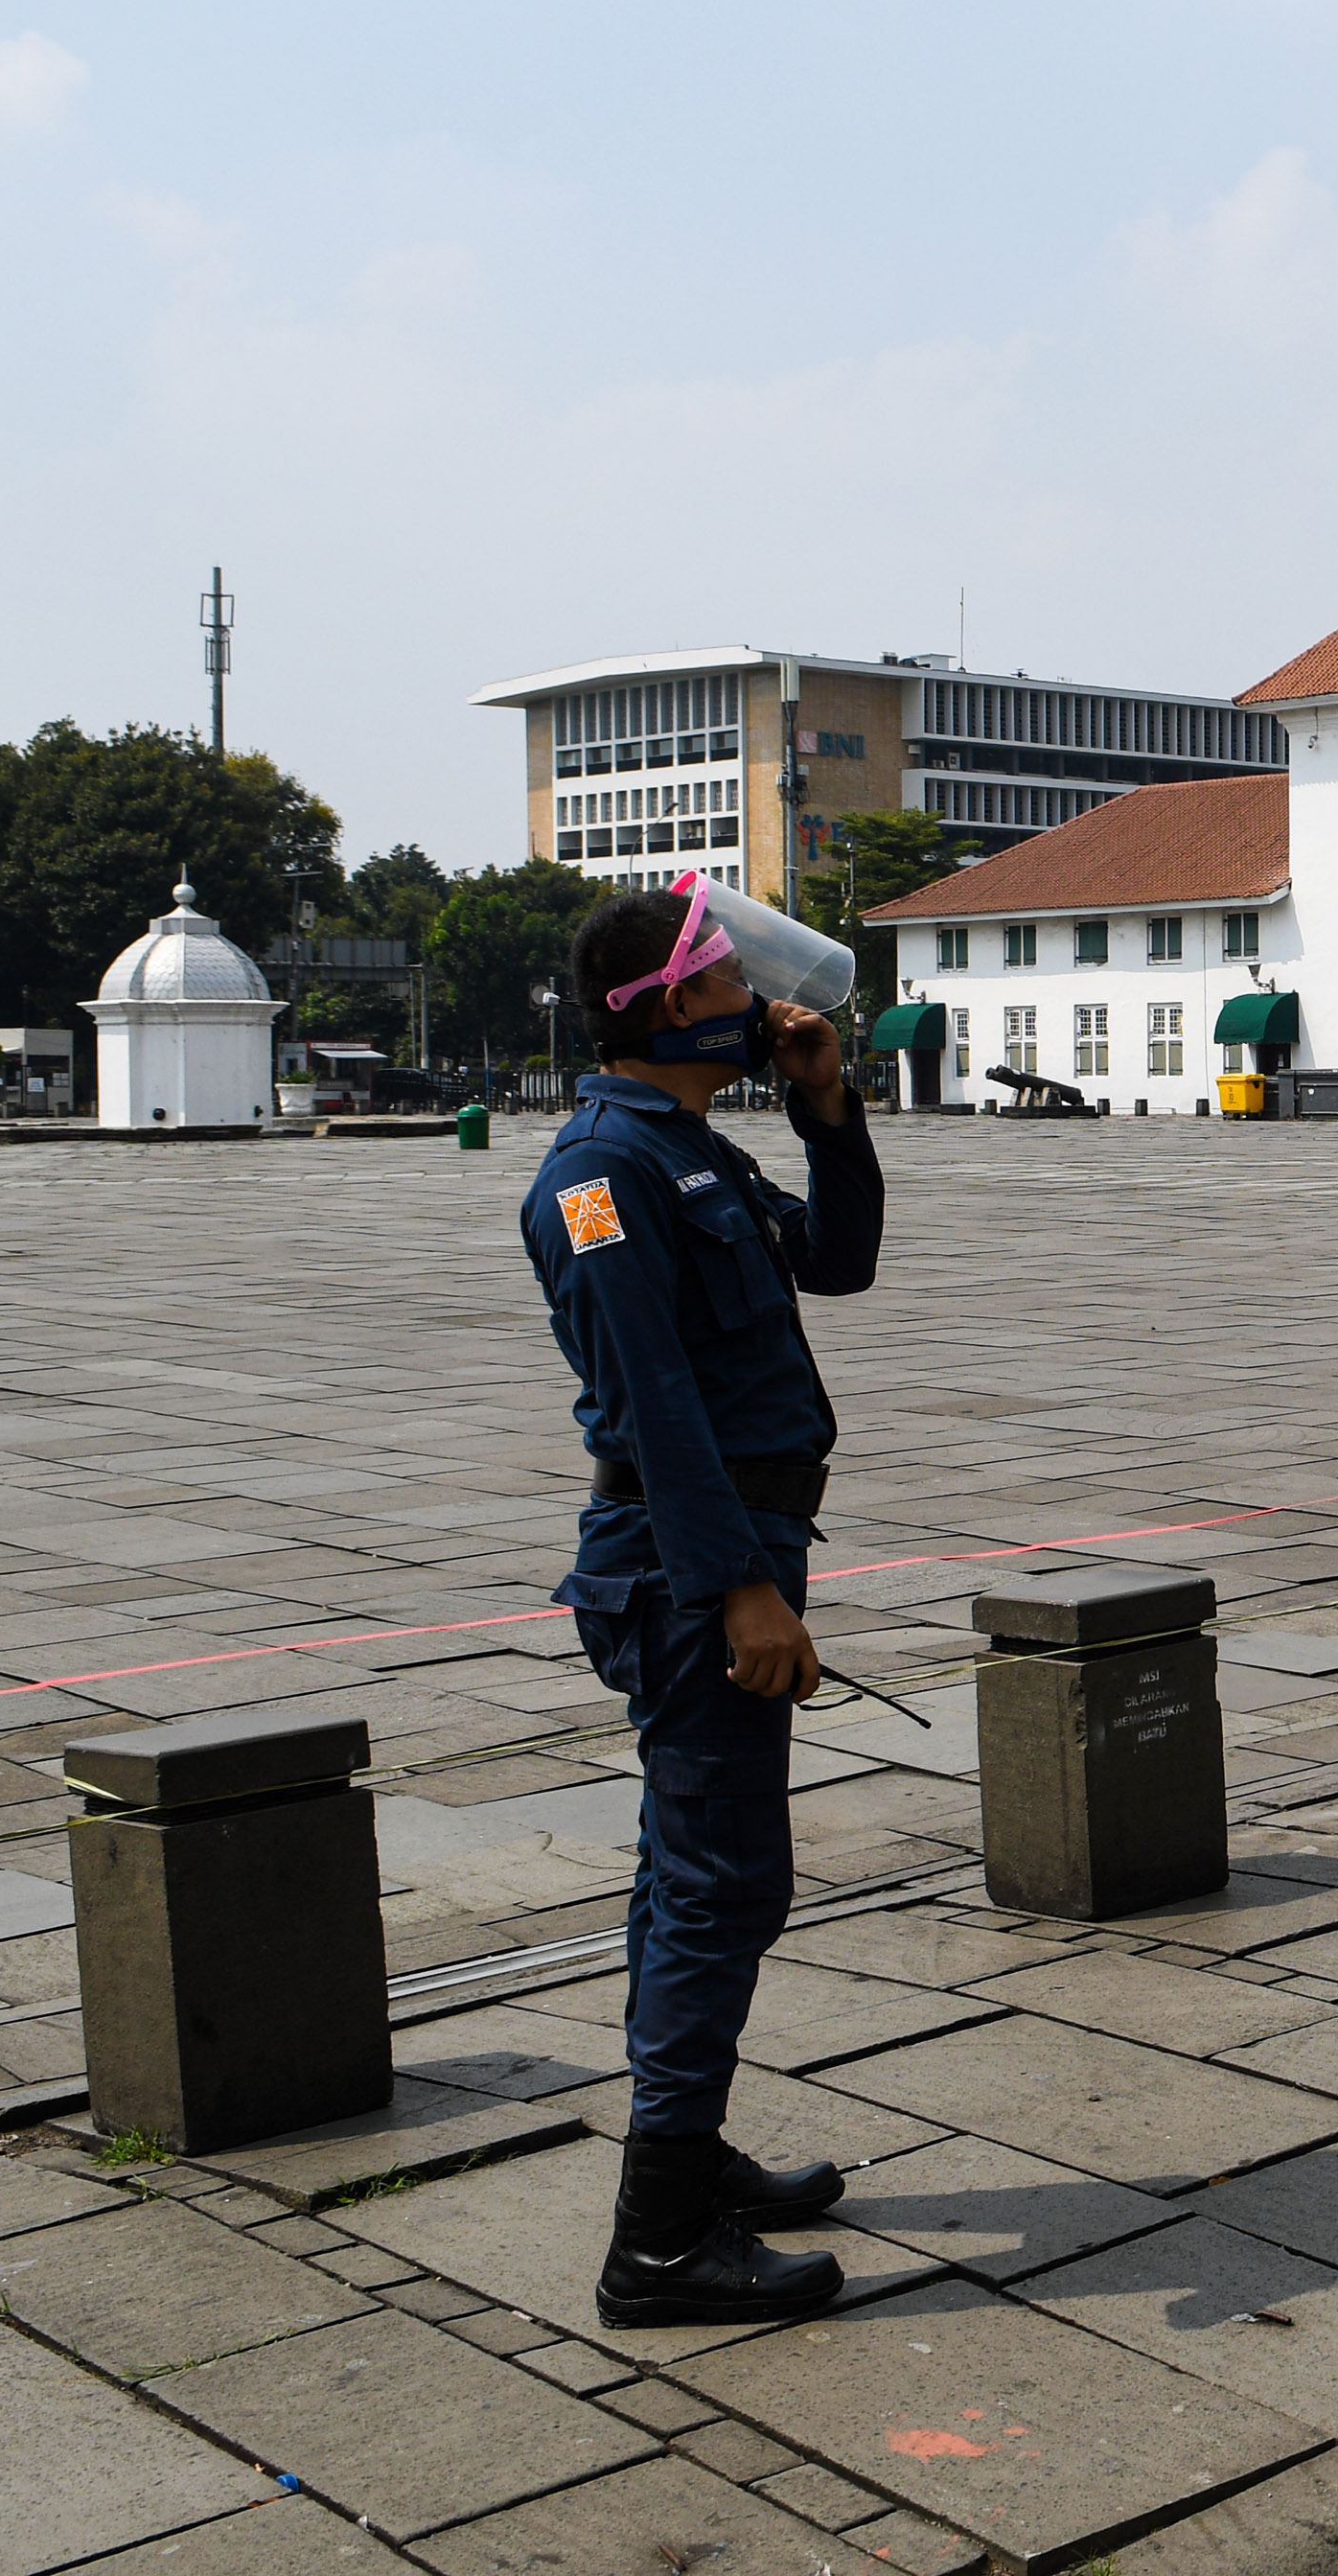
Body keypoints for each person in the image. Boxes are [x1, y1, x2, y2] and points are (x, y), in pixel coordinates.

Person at [521, 884, 882, 2327]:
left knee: (695, 1876)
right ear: (669, 1006)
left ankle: (691, 2156)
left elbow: (840, 1261)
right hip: (693, 1571)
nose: (761, 991)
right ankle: (660, 2239)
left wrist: (826, 1106)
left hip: (739, 1546)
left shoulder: (693, 1152)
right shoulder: (599, 1175)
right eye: (729, 973)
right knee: (725, 1881)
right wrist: (741, 1590)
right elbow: (656, 1404)